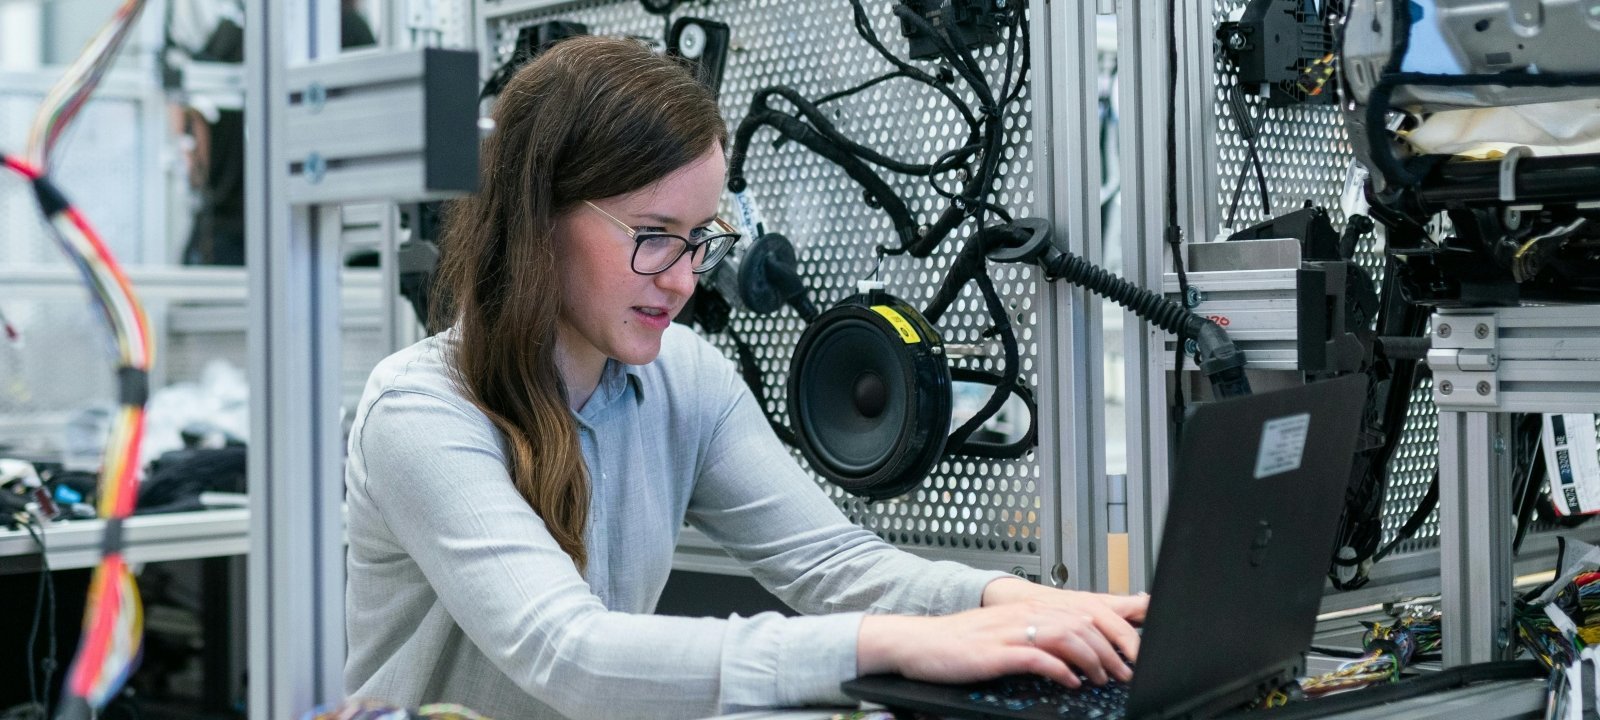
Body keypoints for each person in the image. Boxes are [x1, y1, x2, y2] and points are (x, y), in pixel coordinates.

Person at [343, 35, 1148, 720]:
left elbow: (830, 564)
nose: (684, 280)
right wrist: (896, 643)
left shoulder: (683, 378)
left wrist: (1012, 604)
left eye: (701, 238)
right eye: (653, 235)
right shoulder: (423, 411)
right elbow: (569, 653)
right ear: (539, 215)